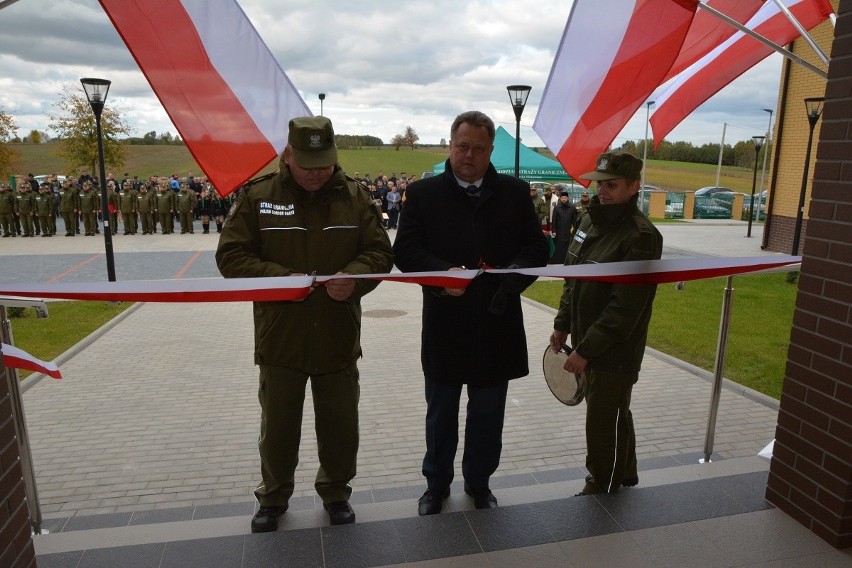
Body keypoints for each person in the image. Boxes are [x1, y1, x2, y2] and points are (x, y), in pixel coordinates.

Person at [216, 116, 393, 532]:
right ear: (288, 155)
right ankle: (273, 497)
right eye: (308, 162)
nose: (317, 172)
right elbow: (231, 256)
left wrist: (355, 278)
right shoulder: (259, 197)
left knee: (340, 426)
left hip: (337, 334)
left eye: (325, 162)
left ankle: (336, 492)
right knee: (277, 430)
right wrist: (278, 280)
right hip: (282, 337)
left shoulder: (354, 197)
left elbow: (380, 253)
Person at [393, 111, 549, 516]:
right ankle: (436, 485)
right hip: (445, 323)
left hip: (497, 324)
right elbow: (405, 252)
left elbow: (536, 250)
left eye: (479, 148)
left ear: (491, 151)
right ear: (450, 144)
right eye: (463, 146)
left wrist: (508, 283)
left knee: (487, 414)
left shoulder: (515, 193)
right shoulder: (422, 194)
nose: (469, 155)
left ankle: (479, 484)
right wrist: (443, 275)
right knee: (440, 414)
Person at [548, 152, 662, 496]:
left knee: (602, 418)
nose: (603, 191)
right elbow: (573, 280)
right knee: (614, 411)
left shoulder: (641, 236)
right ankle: (624, 473)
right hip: (587, 338)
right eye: (600, 183)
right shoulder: (588, 222)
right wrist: (562, 324)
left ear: (633, 187)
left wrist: (585, 350)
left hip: (616, 348)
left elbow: (624, 308)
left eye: (612, 185)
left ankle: (602, 485)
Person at [549, 190, 576, 263]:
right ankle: (559, 261)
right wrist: (554, 231)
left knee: (568, 246)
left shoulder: (572, 208)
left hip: (568, 230)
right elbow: (554, 220)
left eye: (565, 198)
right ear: (560, 199)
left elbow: (574, 220)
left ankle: (567, 260)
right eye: (562, 198)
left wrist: (574, 229)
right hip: (559, 230)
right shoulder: (557, 208)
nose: (564, 199)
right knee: (559, 246)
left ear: (568, 198)